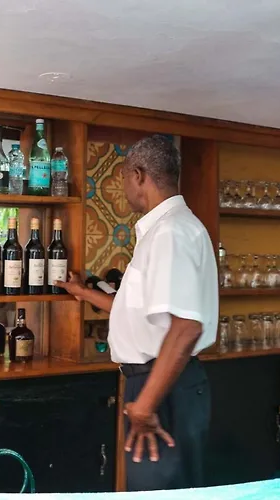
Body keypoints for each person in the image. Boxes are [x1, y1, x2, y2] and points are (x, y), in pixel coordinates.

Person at [55, 135, 218, 491]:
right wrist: (83, 292)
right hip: (163, 382)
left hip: (162, 385)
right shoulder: (166, 229)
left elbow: (187, 326)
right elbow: (139, 309)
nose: (124, 187)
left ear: (139, 176)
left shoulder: (170, 232)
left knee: (160, 492)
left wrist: (145, 404)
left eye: (124, 177)